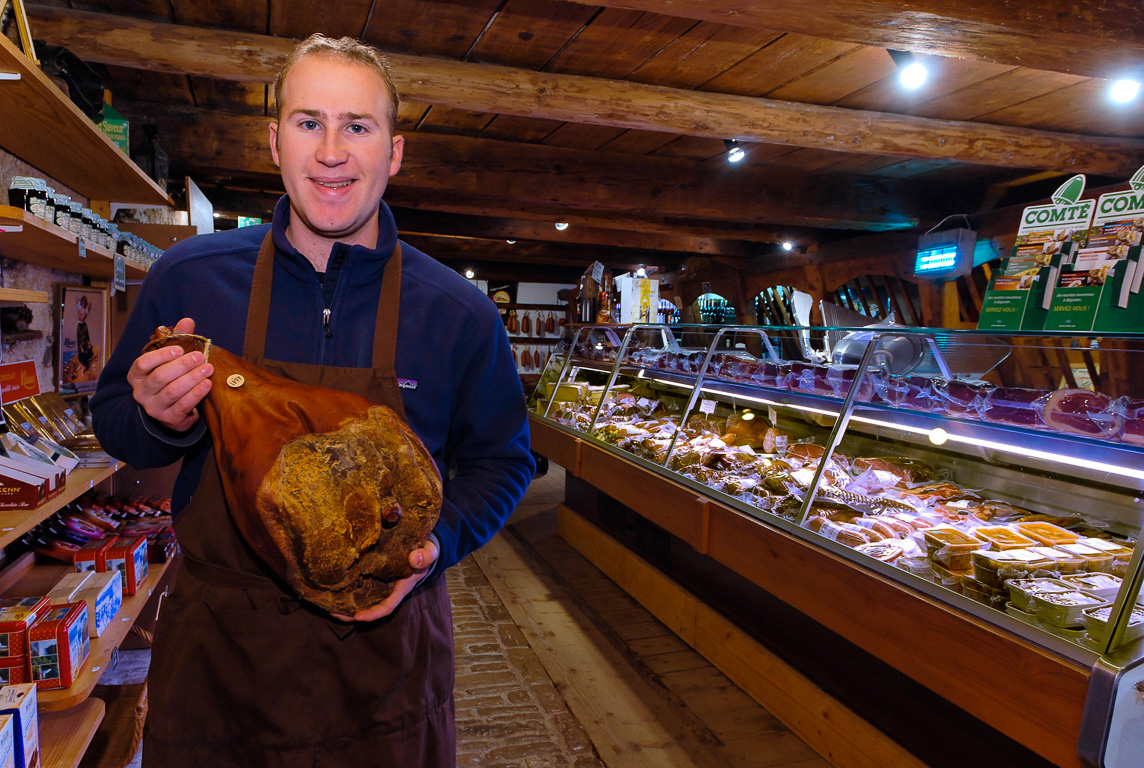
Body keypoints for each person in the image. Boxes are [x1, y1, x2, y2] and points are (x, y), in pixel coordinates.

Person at [90, 33, 534, 767]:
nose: (332, 152)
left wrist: (436, 545)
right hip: (220, 661)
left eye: (358, 126)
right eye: (308, 122)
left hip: (386, 665)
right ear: (274, 141)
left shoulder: (458, 311)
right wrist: (154, 416)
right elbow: (114, 425)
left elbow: (502, 461)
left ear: (393, 151)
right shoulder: (189, 278)